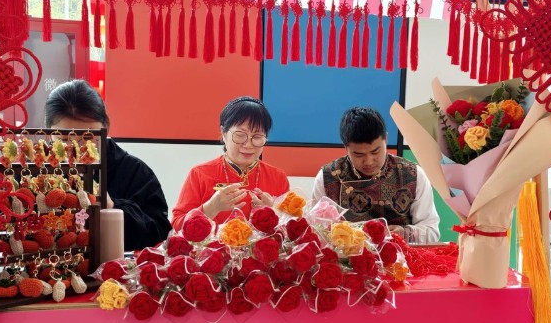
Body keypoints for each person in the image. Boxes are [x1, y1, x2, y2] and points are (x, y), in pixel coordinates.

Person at [45, 80, 172, 252]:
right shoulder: (33, 171)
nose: (76, 148)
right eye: (63, 139)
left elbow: (160, 236)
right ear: (48, 133)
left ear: (106, 127)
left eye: (88, 137)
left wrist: (112, 206)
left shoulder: (134, 171)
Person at [312, 107, 439, 242]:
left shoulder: (412, 174)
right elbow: (315, 230)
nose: (369, 161)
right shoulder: (328, 177)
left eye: (375, 151)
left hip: (401, 253)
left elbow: (432, 232)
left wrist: (405, 233)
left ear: (386, 139)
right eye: (358, 154)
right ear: (346, 147)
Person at [172, 96, 289, 228]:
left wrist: (275, 213)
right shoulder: (200, 174)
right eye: (240, 135)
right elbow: (176, 225)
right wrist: (210, 208)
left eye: (257, 137)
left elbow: (291, 232)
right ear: (224, 133)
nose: (248, 145)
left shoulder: (278, 177)